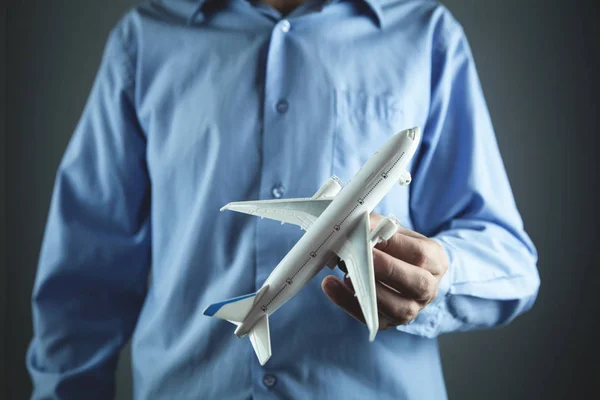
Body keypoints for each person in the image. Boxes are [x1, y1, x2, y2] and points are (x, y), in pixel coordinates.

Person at [26, 0, 540, 398]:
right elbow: (83, 279)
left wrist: (440, 274)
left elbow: (511, 258)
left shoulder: (425, 33)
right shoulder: (145, 38)